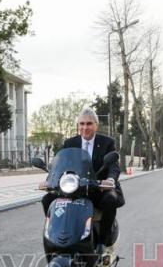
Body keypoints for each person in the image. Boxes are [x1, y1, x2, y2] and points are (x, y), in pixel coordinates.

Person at [39, 108, 124, 256]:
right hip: (75, 189)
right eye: (82, 124)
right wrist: (50, 181)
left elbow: (113, 166)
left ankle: (103, 242)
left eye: (89, 124)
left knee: (111, 200)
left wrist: (110, 179)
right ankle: (56, 237)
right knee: (47, 199)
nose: (85, 127)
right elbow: (60, 166)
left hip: (98, 188)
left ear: (96, 125)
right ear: (78, 125)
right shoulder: (70, 142)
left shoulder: (107, 142)